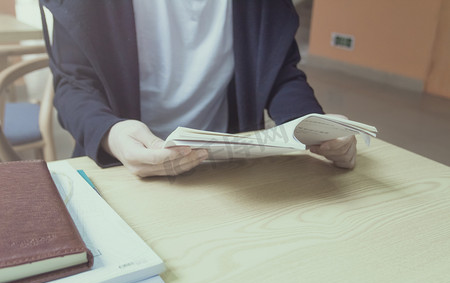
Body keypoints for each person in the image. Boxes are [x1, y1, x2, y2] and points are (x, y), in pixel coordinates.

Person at [39, 0, 357, 177]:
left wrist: (314, 126)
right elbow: (74, 84)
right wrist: (112, 134)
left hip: (227, 172)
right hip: (120, 168)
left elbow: (278, 71)